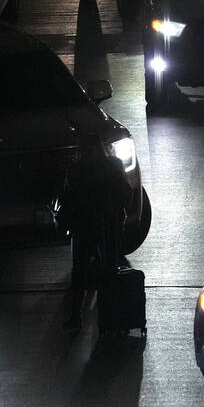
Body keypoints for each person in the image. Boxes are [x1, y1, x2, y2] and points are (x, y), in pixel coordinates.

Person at [56, 135, 133, 330]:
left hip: (84, 226)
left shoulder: (75, 169)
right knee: (108, 270)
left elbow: (68, 197)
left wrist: (63, 221)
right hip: (107, 225)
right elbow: (126, 194)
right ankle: (112, 317)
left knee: (80, 273)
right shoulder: (113, 165)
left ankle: (77, 317)